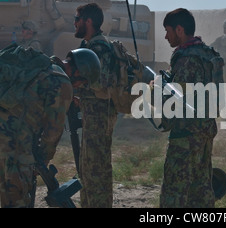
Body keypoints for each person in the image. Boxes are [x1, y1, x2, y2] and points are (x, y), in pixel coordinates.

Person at [0, 45, 100, 208]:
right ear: (79, 72)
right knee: (16, 200)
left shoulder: (39, 64)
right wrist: (42, 159)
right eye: (82, 83)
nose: (78, 87)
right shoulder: (62, 82)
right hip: (12, 139)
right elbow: (53, 131)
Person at [73, 3, 142, 208]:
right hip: (93, 113)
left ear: (88, 21)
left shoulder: (99, 47)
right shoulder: (91, 46)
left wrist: (79, 85)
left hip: (100, 114)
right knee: (88, 167)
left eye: (77, 19)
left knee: (97, 169)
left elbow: (102, 84)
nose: (74, 24)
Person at [160, 8, 220, 208]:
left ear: (179, 29)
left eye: (167, 31)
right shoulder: (207, 54)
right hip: (205, 131)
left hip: (186, 134)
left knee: (174, 190)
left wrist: (155, 92)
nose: (165, 36)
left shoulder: (186, 58)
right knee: (201, 189)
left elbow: (177, 99)